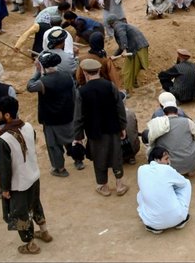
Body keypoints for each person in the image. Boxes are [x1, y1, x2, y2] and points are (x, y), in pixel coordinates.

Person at [0, 96, 52, 255]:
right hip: (33, 176)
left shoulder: (4, 139)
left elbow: (5, 168)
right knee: (35, 204)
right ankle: (44, 232)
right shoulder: (27, 126)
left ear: (7, 115)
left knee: (20, 213)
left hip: (19, 183)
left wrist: (5, 188)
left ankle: (30, 244)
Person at [74, 59, 129, 197]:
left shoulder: (82, 91)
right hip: (113, 127)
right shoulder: (110, 85)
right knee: (116, 155)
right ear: (99, 70)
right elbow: (119, 108)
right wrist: (122, 126)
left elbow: (78, 116)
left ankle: (103, 186)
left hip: (94, 131)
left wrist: (79, 136)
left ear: (85, 73)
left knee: (99, 158)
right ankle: (119, 185)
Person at [27, 52, 82, 175]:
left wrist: (37, 71)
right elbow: (74, 95)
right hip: (68, 116)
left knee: (54, 145)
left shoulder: (43, 82)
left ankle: (60, 169)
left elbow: (30, 86)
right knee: (71, 140)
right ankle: (78, 161)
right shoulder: (67, 76)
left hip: (51, 120)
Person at [143, 99, 195, 176]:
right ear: (177, 111)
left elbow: (151, 141)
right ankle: (190, 168)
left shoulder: (159, 124)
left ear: (164, 113)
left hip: (169, 163)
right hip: (189, 162)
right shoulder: (187, 121)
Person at [137, 147, 191, 235]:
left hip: (153, 223)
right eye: (166, 159)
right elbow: (182, 183)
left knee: (140, 194)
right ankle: (182, 219)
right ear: (156, 160)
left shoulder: (141, 169)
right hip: (178, 218)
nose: (168, 162)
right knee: (187, 183)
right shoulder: (167, 169)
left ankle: (153, 226)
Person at [107, 15, 149, 93]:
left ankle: (128, 91)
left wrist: (125, 49)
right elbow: (121, 46)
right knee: (134, 67)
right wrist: (114, 55)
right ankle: (134, 82)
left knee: (127, 70)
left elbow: (122, 37)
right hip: (140, 46)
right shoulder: (122, 25)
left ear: (111, 24)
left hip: (136, 48)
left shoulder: (118, 26)